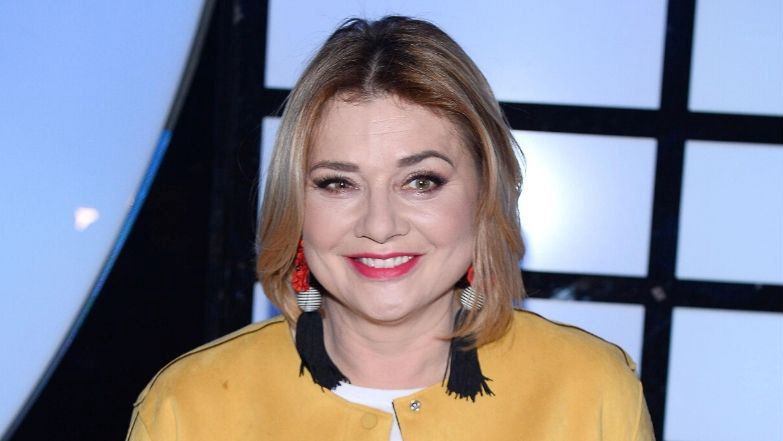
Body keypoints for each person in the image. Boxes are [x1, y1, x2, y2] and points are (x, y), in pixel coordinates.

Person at [126, 16, 655, 441]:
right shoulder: (189, 407)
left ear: (484, 195)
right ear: (295, 205)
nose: (379, 226)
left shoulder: (590, 391)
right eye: (338, 184)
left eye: (421, 182)